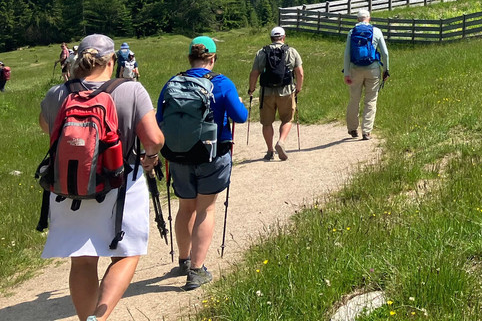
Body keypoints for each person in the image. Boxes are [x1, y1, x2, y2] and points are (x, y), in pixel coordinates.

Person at [38, 34, 164, 321]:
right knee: (127, 254)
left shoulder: (58, 93)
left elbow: (46, 126)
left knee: (82, 261)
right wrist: (150, 156)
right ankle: (99, 318)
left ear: (77, 60)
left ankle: (87, 319)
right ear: (112, 61)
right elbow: (154, 139)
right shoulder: (131, 91)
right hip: (119, 185)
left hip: (68, 187)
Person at [157, 36, 247, 290]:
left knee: (186, 208)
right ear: (213, 58)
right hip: (212, 155)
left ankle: (183, 260)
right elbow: (240, 117)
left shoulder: (172, 83)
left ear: (189, 58)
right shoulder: (221, 83)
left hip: (178, 155)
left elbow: (159, 117)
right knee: (205, 209)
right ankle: (196, 271)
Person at [248, 26, 303, 161]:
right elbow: (300, 73)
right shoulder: (291, 51)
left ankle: (269, 151)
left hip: (266, 92)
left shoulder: (262, 52)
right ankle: (281, 142)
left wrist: (251, 89)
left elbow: (254, 73)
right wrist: (298, 88)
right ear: (283, 37)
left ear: (271, 38)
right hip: (286, 90)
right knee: (287, 119)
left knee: (267, 123)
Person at [343, 9, 390, 141]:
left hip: (355, 69)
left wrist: (346, 72)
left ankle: (352, 128)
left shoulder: (352, 32)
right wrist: (386, 70)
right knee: (370, 100)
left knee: (354, 99)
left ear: (358, 19)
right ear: (369, 18)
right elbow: (385, 53)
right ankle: (366, 131)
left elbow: (347, 54)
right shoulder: (376, 31)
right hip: (373, 69)